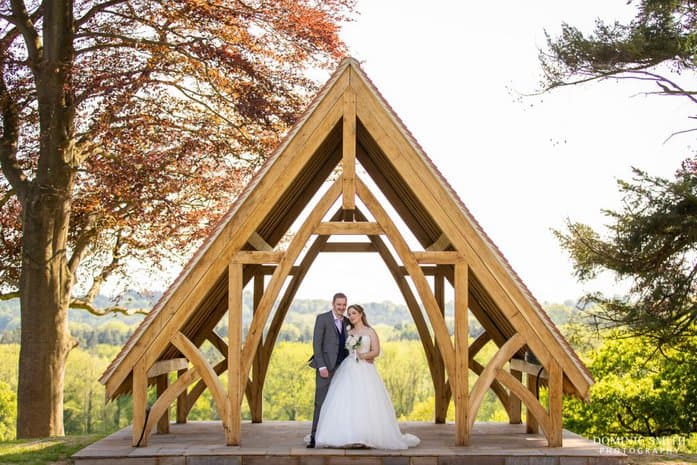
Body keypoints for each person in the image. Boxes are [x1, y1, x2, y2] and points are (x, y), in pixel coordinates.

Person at [313, 304, 420, 450]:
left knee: (366, 401)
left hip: (365, 369)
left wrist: (363, 356)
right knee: (347, 401)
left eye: (354, 313)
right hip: (349, 368)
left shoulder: (370, 331)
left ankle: (366, 436)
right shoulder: (348, 331)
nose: (351, 316)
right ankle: (348, 435)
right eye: (349, 314)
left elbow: (376, 351)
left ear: (361, 314)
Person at [307, 292, 350, 448]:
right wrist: (322, 366)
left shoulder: (347, 321)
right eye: (339, 305)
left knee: (341, 403)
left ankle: (336, 436)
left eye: (344, 305)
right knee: (320, 403)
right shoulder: (322, 318)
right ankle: (314, 437)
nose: (341, 308)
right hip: (325, 368)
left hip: (343, 369)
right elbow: (316, 345)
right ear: (333, 304)